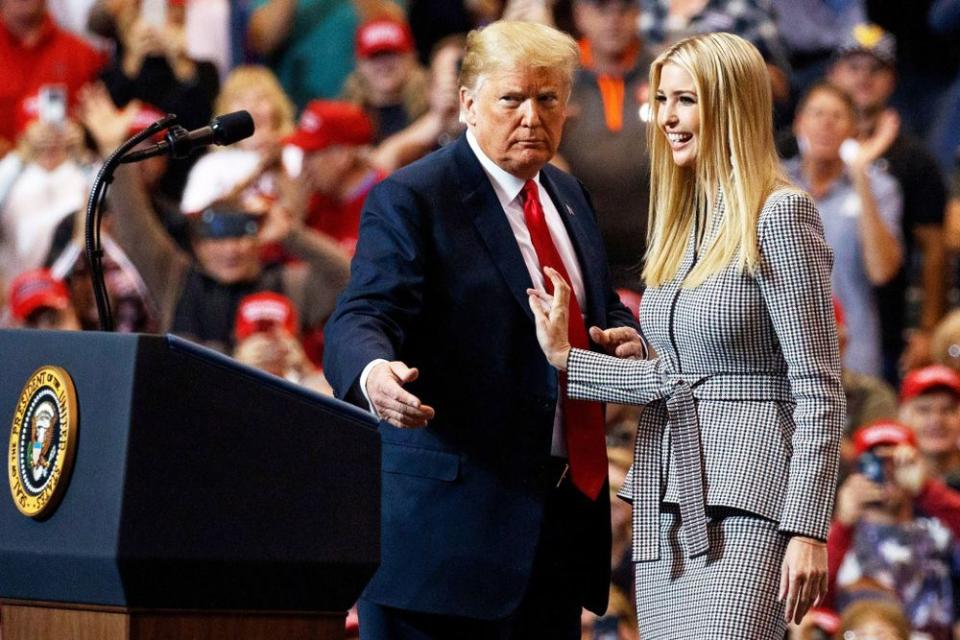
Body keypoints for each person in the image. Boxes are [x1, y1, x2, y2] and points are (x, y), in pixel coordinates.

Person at [323, 20, 641, 638]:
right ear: (468, 103)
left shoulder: (570, 195)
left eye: (547, 99)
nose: (531, 116)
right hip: (444, 548)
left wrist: (624, 333)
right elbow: (363, 313)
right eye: (512, 98)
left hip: (555, 537)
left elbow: (600, 307)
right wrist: (373, 372)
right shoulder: (414, 196)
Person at [527, 32, 844, 637]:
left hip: (754, 503)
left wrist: (808, 528)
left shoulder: (779, 213)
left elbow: (819, 387)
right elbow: (679, 376)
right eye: (662, 100)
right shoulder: (682, 220)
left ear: (730, 105)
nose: (667, 118)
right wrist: (585, 357)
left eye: (686, 100)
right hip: (665, 500)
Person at [784, 82, 902, 379]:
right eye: (817, 113)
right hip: (781, 349)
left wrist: (860, 173)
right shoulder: (773, 183)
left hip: (855, 353)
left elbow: (882, 271)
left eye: (837, 116)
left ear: (853, 129)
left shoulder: (880, 189)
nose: (826, 123)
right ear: (798, 124)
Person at [898, 364, 960, 490]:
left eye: (948, 410)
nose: (936, 420)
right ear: (904, 419)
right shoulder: (891, 481)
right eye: (924, 410)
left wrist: (924, 489)